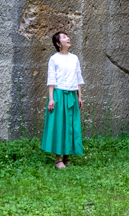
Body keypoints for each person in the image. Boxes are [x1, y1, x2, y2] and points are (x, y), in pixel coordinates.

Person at [40, 31, 84, 168]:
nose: (68, 38)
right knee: (59, 125)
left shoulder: (74, 58)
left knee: (70, 125)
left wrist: (79, 96)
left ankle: (67, 156)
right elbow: (51, 79)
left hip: (71, 95)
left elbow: (78, 78)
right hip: (58, 94)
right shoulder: (54, 59)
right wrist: (51, 99)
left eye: (67, 36)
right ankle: (58, 159)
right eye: (64, 37)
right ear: (58, 43)